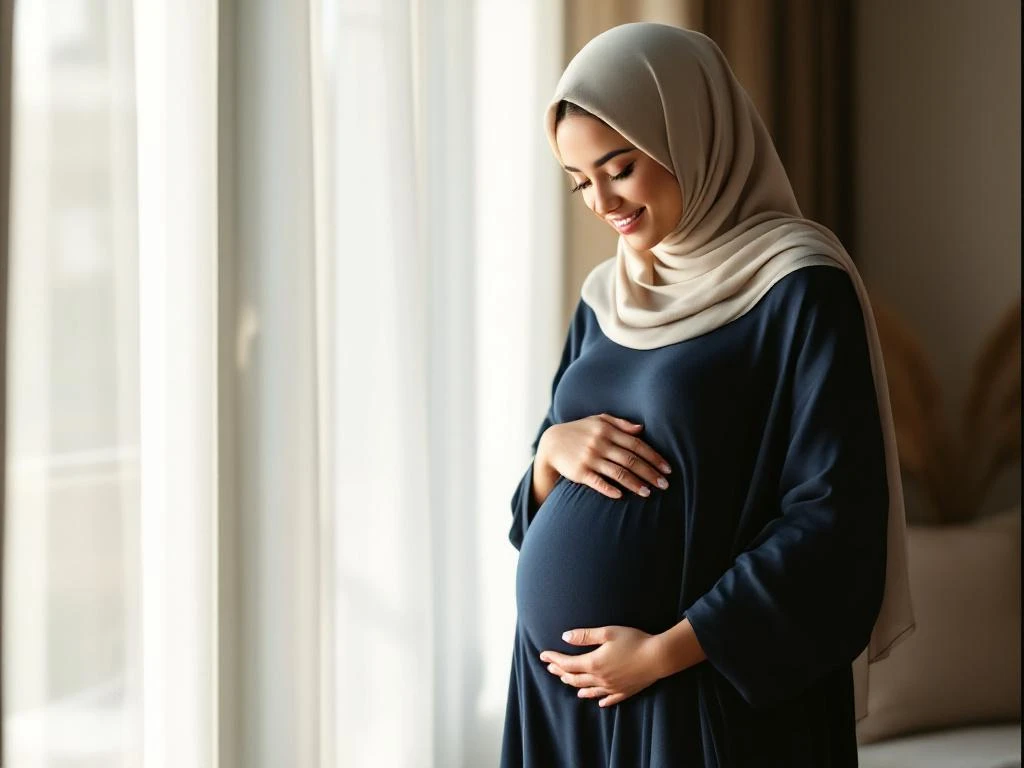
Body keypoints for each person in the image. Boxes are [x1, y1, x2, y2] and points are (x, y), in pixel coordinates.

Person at [500, 22, 915, 768]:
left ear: (690, 130)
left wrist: (664, 653)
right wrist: (547, 457)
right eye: (579, 180)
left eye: (619, 167)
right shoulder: (607, 297)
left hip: (700, 693)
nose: (601, 202)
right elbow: (535, 515)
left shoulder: (798, 285)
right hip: (561, 699)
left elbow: (833, 519)